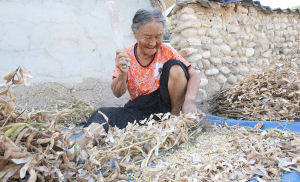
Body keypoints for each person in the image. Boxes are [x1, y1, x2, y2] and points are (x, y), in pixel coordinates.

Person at [75, 7, 206, 148]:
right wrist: (123, 73)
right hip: (140, 109)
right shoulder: (126, 56)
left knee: (175, 67)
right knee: (104, 114)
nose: (153, 43)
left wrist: (189, 101)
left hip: (167, 107)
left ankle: (174, 123)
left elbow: (194, 76)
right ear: (135, 33)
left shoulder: (166, 51)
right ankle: (78, 145)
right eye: (147, 37)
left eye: (158, 37)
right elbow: (117, 93)